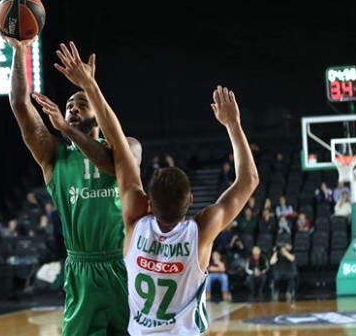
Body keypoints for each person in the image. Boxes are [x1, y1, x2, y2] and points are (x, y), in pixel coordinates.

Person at [50, 42, 258, 334]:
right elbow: (248, 180)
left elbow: (120, 149)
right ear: (192, 200)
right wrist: (233, 125)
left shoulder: (134, 223)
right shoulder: (201, 232)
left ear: (148, 201)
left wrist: (89, 85)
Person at [5, 36, 142, 336]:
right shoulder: (55, 156)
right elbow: (19, 104)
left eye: (82, 104)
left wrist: (69, 122)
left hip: (123, 265)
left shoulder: (128, 148)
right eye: (69, 105)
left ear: (97, 112)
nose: (72, 108)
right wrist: (19, 51)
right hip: (82, 270)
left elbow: (110, 165)